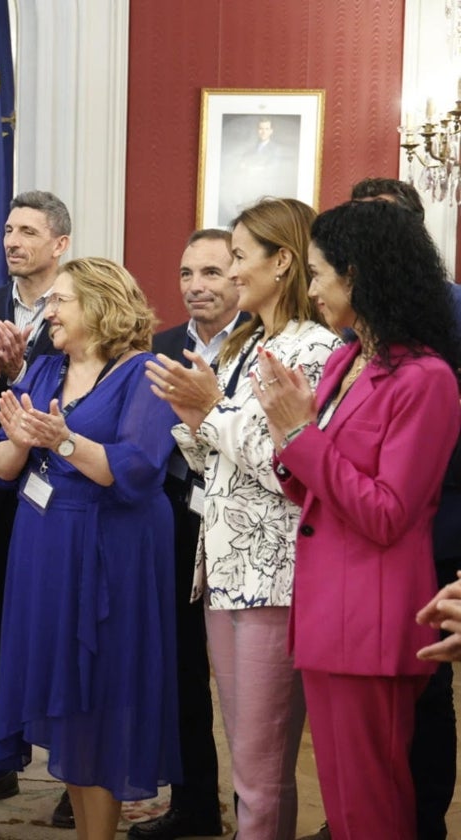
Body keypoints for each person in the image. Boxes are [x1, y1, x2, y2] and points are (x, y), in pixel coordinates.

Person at [252, 199, 461, 839]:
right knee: (345, 807)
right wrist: (292, 444)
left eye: (317, 274)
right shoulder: (349, 360)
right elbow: (318, 490)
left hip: (372, 616)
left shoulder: (426, 380)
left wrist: (299, 435)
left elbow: (387, 512)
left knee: (372, 808)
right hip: (326, 606)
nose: (309, 290)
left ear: (359, 276)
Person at [147, 197, 339, 839]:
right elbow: (219, 460)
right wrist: (193, 412)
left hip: (274, 573)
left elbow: (289, 468)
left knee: (260, 772)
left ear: (281, 261)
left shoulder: (314, 349)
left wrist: (212, 413)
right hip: (226, 568)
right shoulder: (247, 343)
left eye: (236, 257)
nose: (228, 274)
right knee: (247, 766)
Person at [0, 257, 181, 840]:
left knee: (104, 700)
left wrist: (62, 441)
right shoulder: (42, 371)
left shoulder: (145, 374)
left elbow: (136, 470)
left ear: (100, 304)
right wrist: (18, 444)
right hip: (44, 548)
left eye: (61, 300)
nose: (49, 310)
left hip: (112, 555)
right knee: (69, 702)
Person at [0, 190, 74, 825]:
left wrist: (25, 370)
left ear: (59, 244)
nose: (11, 240)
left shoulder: (82, 300)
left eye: (27, 230)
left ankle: (73, 771)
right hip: (3, 490)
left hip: (68, 497)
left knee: (65, 630)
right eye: (7, 229)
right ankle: (0, 761)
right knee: (2, 626)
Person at [131, 229, 245, 840]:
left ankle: (255, 808)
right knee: (179, 670)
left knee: (247, 680)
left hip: (243, 527)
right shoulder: (159, 348)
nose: (196, 286)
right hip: (173, 522)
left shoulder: (264, 343)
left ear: (240, 276)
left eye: (211, 272)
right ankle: (195, 802)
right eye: (185, 273)